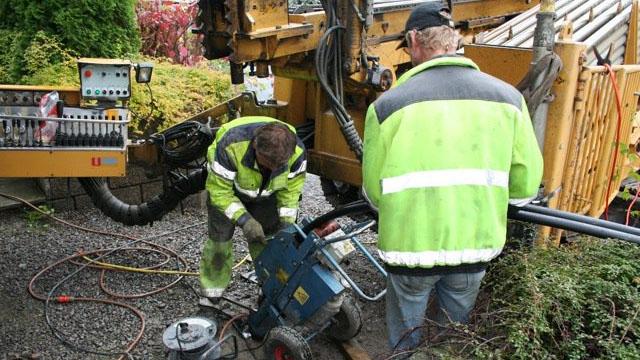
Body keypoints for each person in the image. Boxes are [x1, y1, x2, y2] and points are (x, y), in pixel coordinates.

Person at [362, 2, 544, 352]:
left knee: (405, 342)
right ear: (453, 39)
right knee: (452, 340)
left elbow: (374, 193)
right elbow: (523, 188)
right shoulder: (508, 99)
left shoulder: (387, 107)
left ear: (414, 39)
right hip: (474, 247)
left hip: (409, 252)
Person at [199, 116, 306, 306]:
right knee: (219, 243)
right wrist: (245, 220)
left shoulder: (296, 153)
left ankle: (268, 288)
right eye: (266, 164)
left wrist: (287, 225)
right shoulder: (231, 146)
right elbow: (219, 191)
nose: (271, 168)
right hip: (227, 192)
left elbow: (291, 191)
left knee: (269, 241)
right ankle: (211, 293)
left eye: (277, 166)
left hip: (266, 195)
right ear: (255, 146)